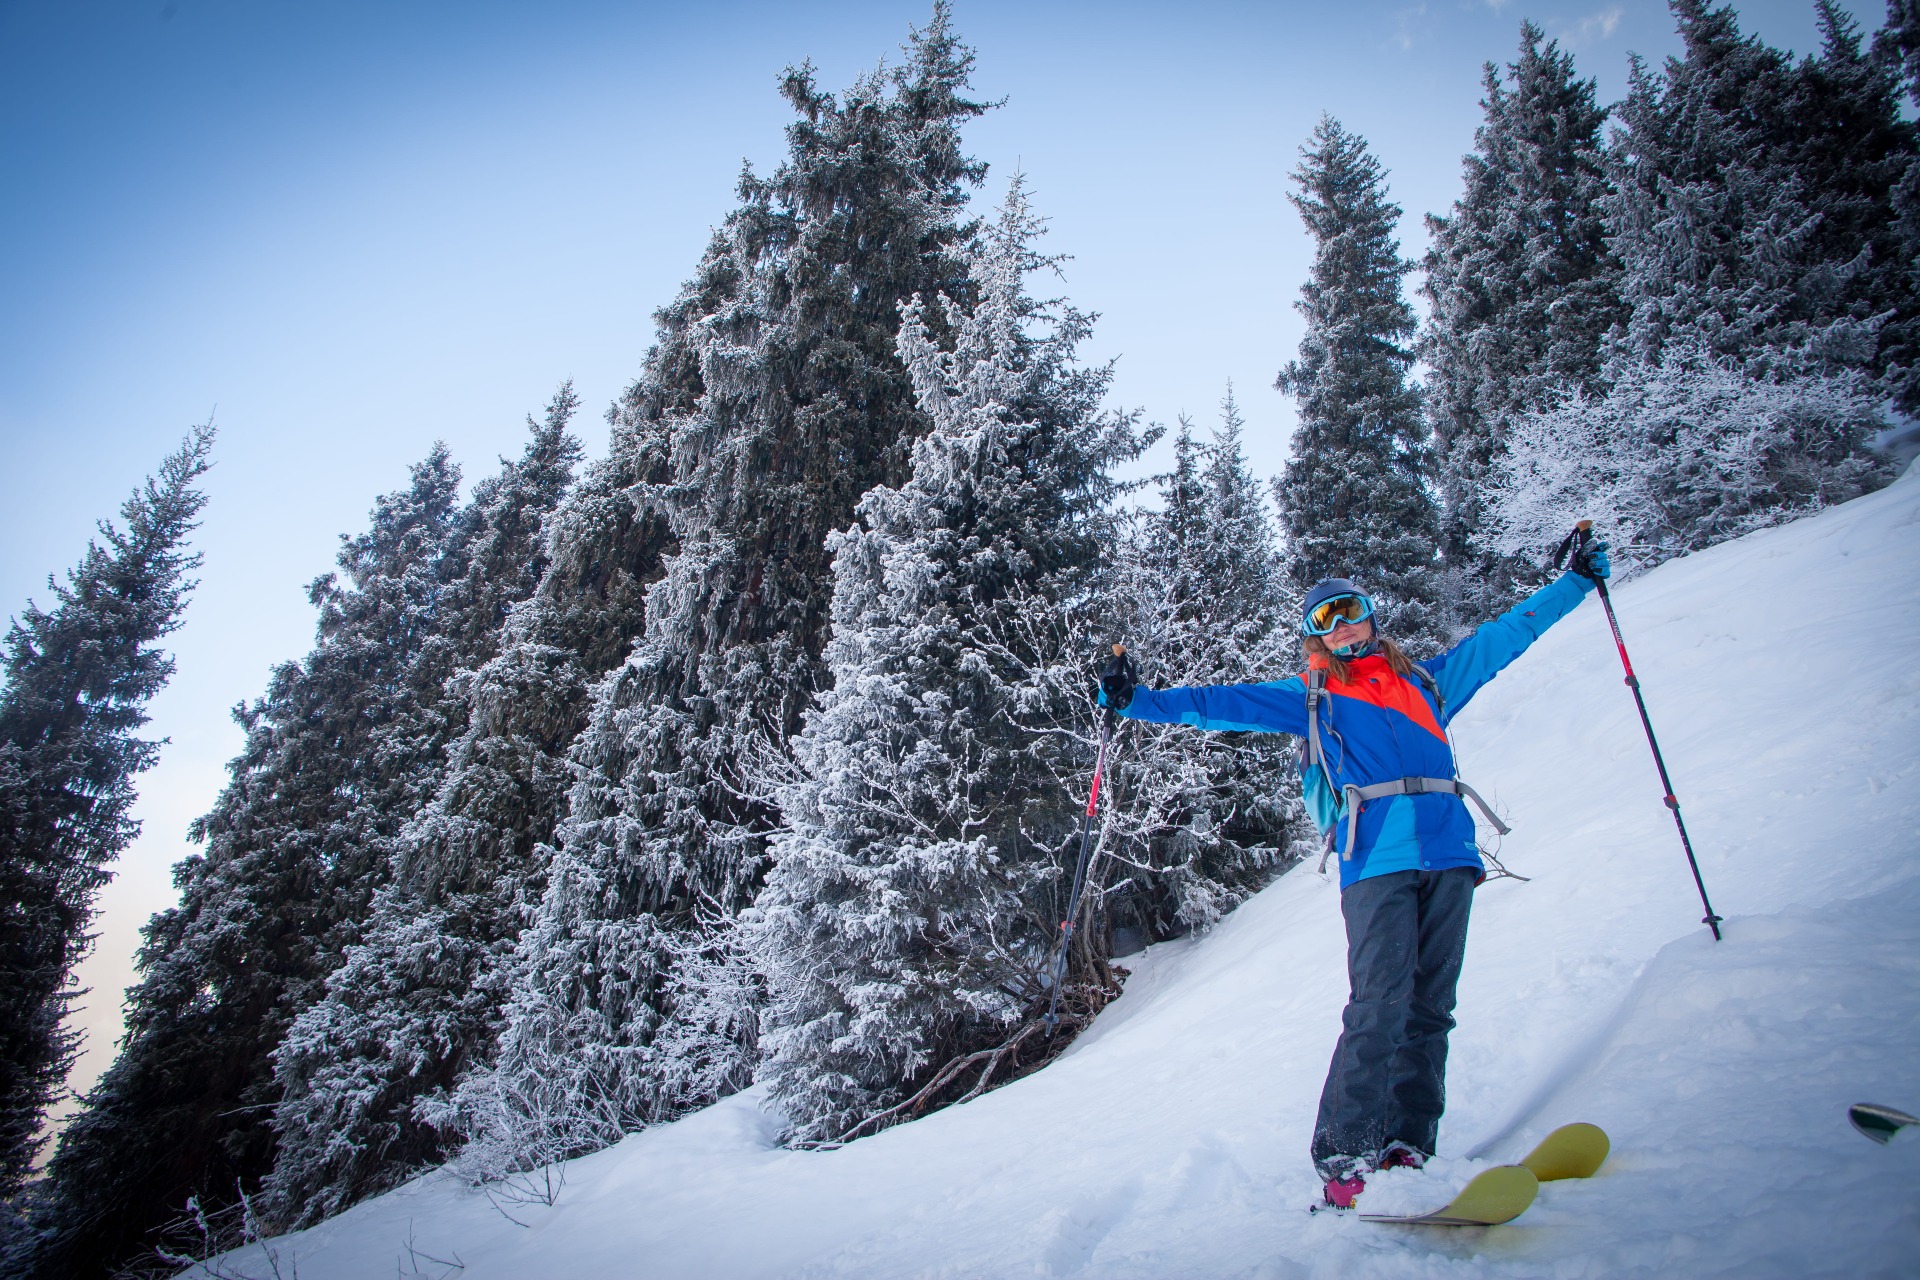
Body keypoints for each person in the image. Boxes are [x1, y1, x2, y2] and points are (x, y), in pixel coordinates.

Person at [1096, 539, 1610, 1209]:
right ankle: (1344, 1155)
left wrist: (1573, 583)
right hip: (1376, 861)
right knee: (1379, 1004)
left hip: (1452, 856)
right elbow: (1221, 703)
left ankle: (1407, 1146)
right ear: (1316, 637)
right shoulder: (1313, 698)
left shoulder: (1429, 682)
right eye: (1326, 619)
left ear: (1372, 617)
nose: (1342, 625)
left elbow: (1508, 634)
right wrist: (1136, 700)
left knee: (1431, 1009)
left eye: (1352, 611)